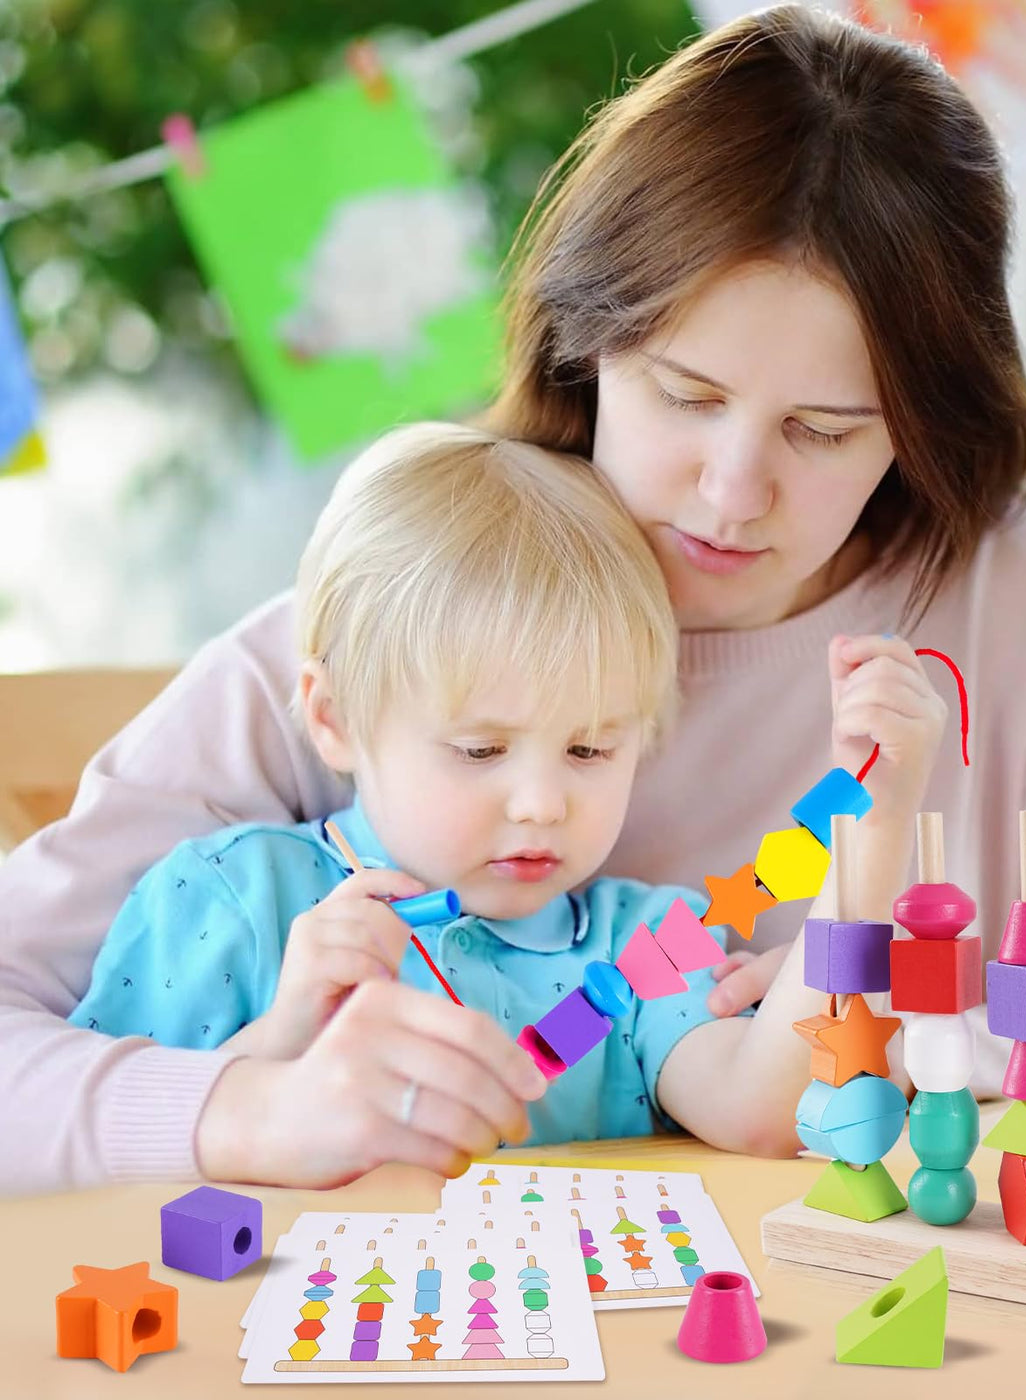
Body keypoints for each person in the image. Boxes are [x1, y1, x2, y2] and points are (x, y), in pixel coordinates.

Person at [0, 5, 1026, 1194]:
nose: (730, 492)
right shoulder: (400, 617)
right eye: (682, 393)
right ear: (584, 344)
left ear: (919, 425)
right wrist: (240, 1110)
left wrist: (917, 1038)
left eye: (821, 430)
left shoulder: (1012, 594)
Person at [61, 421, 945, 1184]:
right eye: (481, 750)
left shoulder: (642, 947)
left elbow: (764, 1110)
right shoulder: (236, 903)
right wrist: (284, 1034)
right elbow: (101, 1167)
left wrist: (876, 821)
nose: (540, 803)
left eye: (591, 749)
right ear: (333, 719)